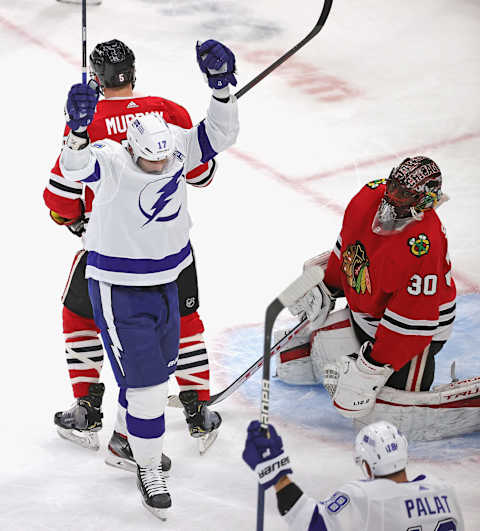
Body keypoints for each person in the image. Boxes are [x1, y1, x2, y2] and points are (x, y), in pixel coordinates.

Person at [57, 38, 239, 518]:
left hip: (167, 275)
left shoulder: (173, 142)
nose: (160, 168)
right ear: (129, 150)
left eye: (165, 162)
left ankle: (123, 437)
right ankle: (149, 465)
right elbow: (73, 168)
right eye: (150, 162)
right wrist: (76, 135)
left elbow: (218, 136)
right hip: (120, 286)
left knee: (157, 373)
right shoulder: (113, 159)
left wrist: (221, 90)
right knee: (145, 386)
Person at [277, 157, 457, 422]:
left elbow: (412, 325)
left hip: (416, 334)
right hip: (369, 313)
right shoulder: (367, 197)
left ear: (424, 200)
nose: (392, 197)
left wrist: (372, 367)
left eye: (404, 193)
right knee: (292, 362)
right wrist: (327, 284)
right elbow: (350, 248)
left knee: (383, 417)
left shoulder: (422, 246)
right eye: (393, 185)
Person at [242, 420, 465, 530]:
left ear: (367, 465)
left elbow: (311, 523)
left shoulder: (366, 497)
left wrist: (276, 474)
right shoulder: (444, 490)